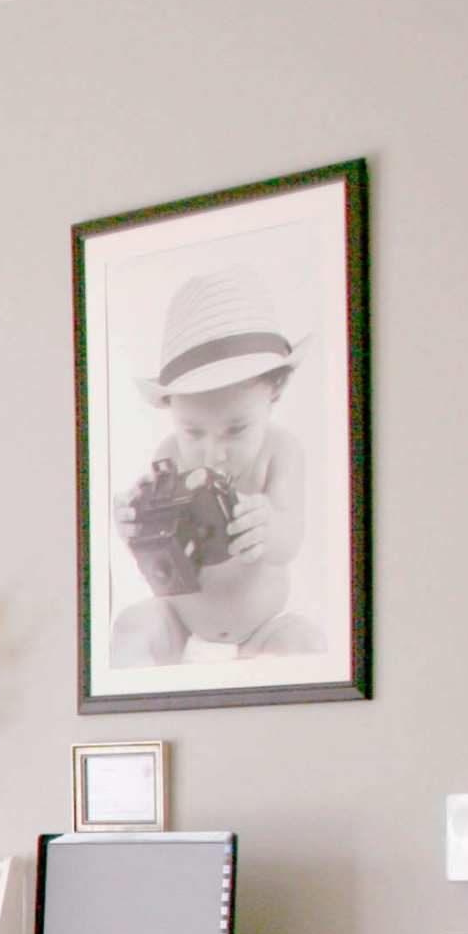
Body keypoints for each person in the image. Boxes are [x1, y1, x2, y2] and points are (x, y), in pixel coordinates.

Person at [108, 263, 315, 666]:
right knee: (132, 626)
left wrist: (268, 527)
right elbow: (157, 546)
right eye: (193, 432)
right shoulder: (168, 454)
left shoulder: (281, 449)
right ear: (169, 408)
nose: (212, 452)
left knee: (304, 642)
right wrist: (135, 524)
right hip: (180, 622)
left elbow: (291, 535)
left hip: (261, 629)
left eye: (236, 430)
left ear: (276, 390)